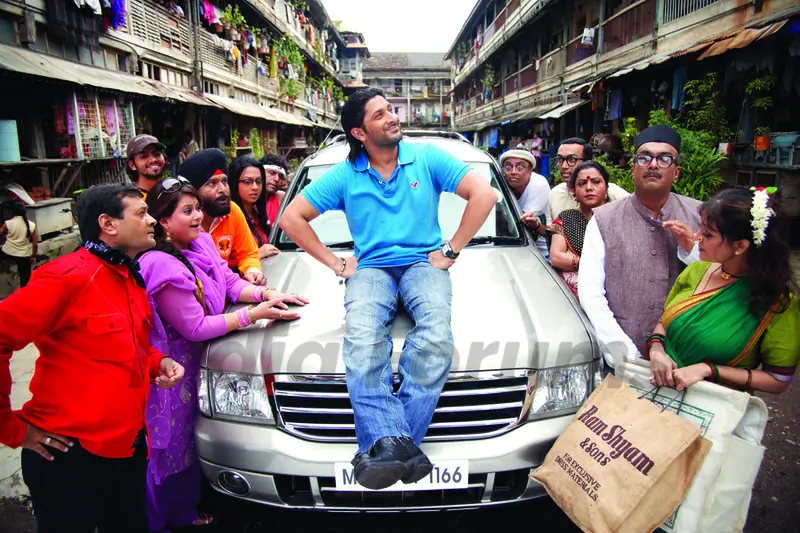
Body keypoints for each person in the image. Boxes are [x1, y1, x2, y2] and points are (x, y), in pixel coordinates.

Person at [279, 88, 496, 490]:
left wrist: (452, 249)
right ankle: (402, 447)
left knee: (435, 336)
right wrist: (337, 262)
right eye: (380, 115)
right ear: (360, 133)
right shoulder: (345, 175)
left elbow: (484, 195)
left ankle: (388, 446)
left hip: (422, 263)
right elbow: (291, 218)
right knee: (362, 342)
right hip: (371, 268)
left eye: (390, 110)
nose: (393, 117)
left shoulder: (427, 157)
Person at [0, 183, 184, 533]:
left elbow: (126, 349)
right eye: (141, 214)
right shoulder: (66, 278)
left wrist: (156, 362)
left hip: (127, 448)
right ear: (108, 224)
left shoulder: (130, 276)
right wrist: (11, 428)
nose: (152, 222)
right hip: (68, 456)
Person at [139, 177, 307, 532]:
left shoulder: (199, 242)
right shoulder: (160, 264)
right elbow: (195, 326)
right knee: (166, 450)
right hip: (170, 371)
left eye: (197, 207)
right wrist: (253, 315)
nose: (199, 216)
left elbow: (228, 281)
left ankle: (184, 513)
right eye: (187, 211)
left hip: (203, 362)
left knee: (186, 444)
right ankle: (158, 522)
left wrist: (265, 296)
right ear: (164, 222)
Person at [647, 187, 799, 393]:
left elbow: (778, 379)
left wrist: (709, 370)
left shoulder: (776, 303)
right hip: (658, 394)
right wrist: (656, 350)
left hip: (713, 409)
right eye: (700, 228)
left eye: (708, 234)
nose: (697, 237)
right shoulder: (696, 271)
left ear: (740, 246)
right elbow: (664, 320)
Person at [578, 124, 701, 374]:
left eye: (665, 159)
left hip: (688, 358)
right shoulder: (603, 219)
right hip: (623, 356)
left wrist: (691, 249)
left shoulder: (700, 215)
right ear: (633, 169)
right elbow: (591, 293)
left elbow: (721, 277)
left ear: (676, 173)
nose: (653, 164)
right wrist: (626, 355)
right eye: (644, 157)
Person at [178, 148, 266, 285]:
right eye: (212, 183)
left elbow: (247, 254)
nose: (222, 190)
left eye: (224, 182)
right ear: (193, 191)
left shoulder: (232, 211)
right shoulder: (183, 221)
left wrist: (252, 270)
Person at [549, 161, 609, 300]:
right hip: (575, 295)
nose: (589, 188)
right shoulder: (567, 218)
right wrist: (596, 266)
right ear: (574, 191)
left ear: (606, 189)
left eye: (596, 182)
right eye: (582, 183)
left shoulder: (618, 218)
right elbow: (556, 257)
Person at [548, 137, 629, 221]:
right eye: (560, 159)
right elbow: (552, 229)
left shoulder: (613, 193)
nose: (564, 166)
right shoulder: (555, 194)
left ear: (587, 162)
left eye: (572, 159)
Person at [498, 149, 551, 259]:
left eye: (520, 167)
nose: (513, 172)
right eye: (508, 167)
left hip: (541, 252)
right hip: (509, 250)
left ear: (530, 171)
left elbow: (522, 222)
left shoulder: (538, 184)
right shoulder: (499, 182)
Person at [229, 156, 280, 259]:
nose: (255, 187)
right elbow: (220, 263)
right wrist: (255, 255)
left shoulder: (258, 215)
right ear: (234, 183)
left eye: (258, 181)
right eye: (247, 182)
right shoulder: (228, 218)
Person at [0, 201, 38, 287]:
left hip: (7, 252)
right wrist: (33, 256)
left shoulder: (8, 223)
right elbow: (35, 244)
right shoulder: (32, 225)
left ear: (12, 212)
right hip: (23, 255)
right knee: (25, 282)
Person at [126, 134, 167, 201]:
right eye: (144, 156)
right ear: (132, 165)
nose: (153, 159)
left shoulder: (174, 192)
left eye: (157, 154)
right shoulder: (131, 200)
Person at [259, 153, 289, 226]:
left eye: (281, 176)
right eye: (272, 173)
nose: (276, 179)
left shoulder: (281, 198)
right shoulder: (246, 199)